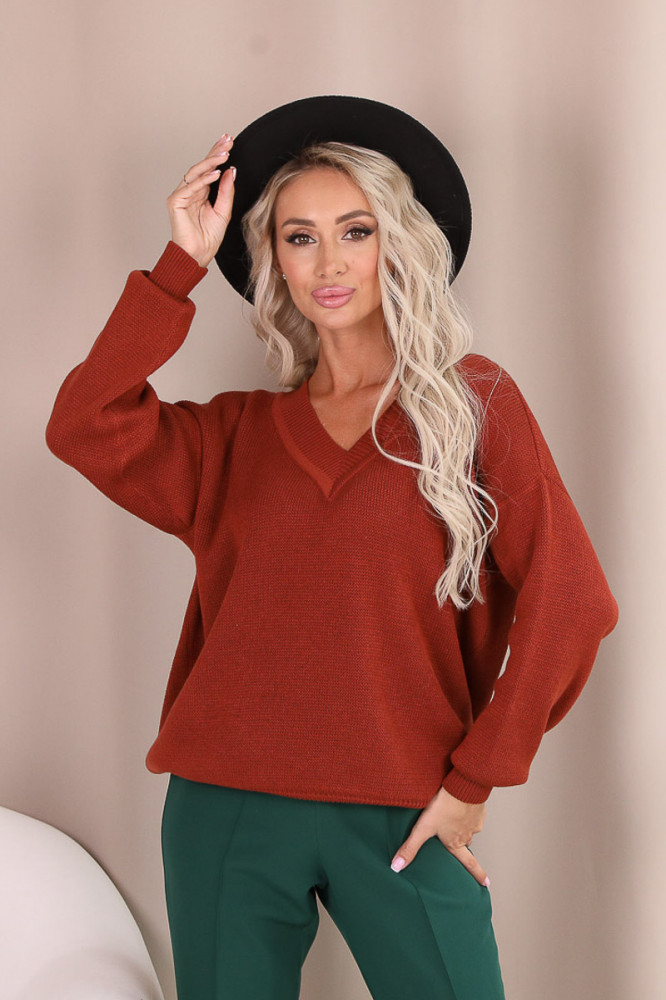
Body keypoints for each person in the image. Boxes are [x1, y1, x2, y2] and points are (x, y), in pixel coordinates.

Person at [45, 95, 619, 1000]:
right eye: (299, 237)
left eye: (356, 230)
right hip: (226, 804)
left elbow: (573, 603)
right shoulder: (233, 438)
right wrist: (180, 263)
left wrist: (475, 781)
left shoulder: (474, 406)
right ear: (272, 258)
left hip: (406, 807)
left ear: (398, 242)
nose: (329, 261)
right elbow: (84, 423)